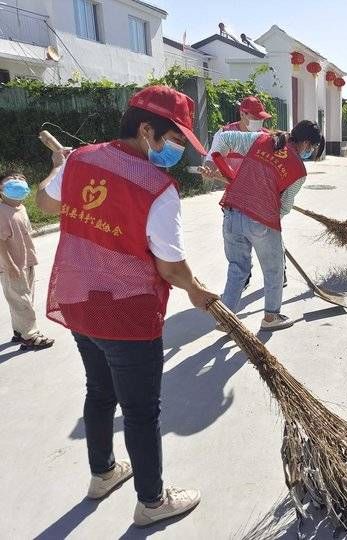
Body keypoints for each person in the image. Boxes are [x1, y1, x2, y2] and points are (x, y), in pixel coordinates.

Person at [35, 85, 218, 527]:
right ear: (146, 130)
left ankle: (102, 474)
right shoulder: (158, 187)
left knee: (99, 391)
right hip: (128, 313)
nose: (176, 152)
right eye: (174, 141)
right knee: (140, 411)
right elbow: (170, 266)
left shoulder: (82, 159)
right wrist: (196, 290)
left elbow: (43, 202)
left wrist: (59, 168)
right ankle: (152, 502)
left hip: (80, 301)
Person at [206, 120, 324, 332]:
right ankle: (271, 317)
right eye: (313, 148)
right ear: (306, 143)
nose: (311, 151)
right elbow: (285, 206)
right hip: (261, 221)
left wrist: (213, 161)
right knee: (274, 269)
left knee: (237, 268)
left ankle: (226, 318)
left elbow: (223, 138)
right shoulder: (298, 171)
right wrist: (270, 229)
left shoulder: (259, 139)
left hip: (232, 213)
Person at [0, 172, 54, 350]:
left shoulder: (20, 208)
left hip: (26, 262)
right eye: (12, 180)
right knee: (21, 301)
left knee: (23, 299)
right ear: (1, 188)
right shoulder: (2, 211)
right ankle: (30, 336)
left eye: (22, 179)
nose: (18, 182)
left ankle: (19, 331)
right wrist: (10, 265)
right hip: (12, 266)